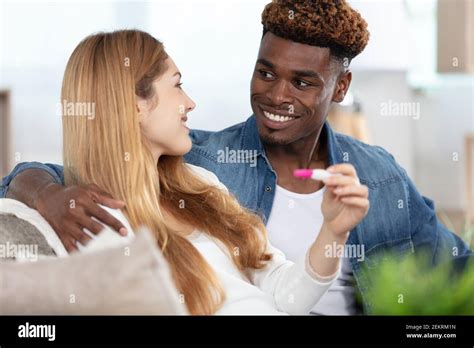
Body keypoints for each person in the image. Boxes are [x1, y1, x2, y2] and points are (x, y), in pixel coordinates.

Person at [1, 0, 470, 314]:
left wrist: (334, 229)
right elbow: (47, 174)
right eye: (265, 73)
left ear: (340, 88)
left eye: (303, 82)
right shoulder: (202, 159)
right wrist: (47, 195)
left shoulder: (379, 176)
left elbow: (457, 267)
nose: (277, 95)